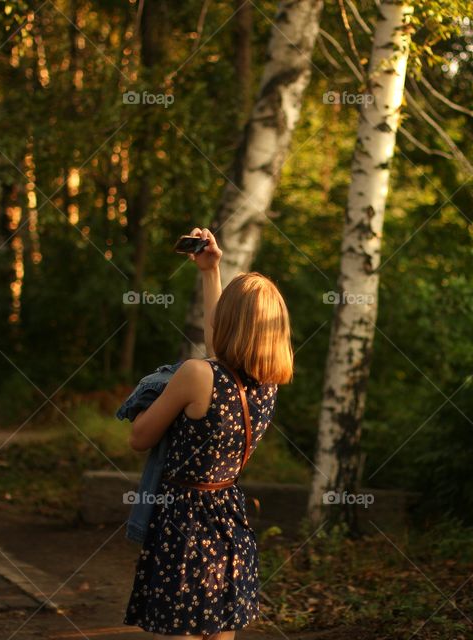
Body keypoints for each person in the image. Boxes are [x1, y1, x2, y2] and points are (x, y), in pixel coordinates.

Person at [123, 228, 293, 639]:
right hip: (229, 520)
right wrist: (210, 272)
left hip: (185, 524)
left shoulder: (196, 375)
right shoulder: (267, 381)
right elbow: (223, 349)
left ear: (229, 321)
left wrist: (148, 402)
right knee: (220, 632)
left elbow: (140, 438)